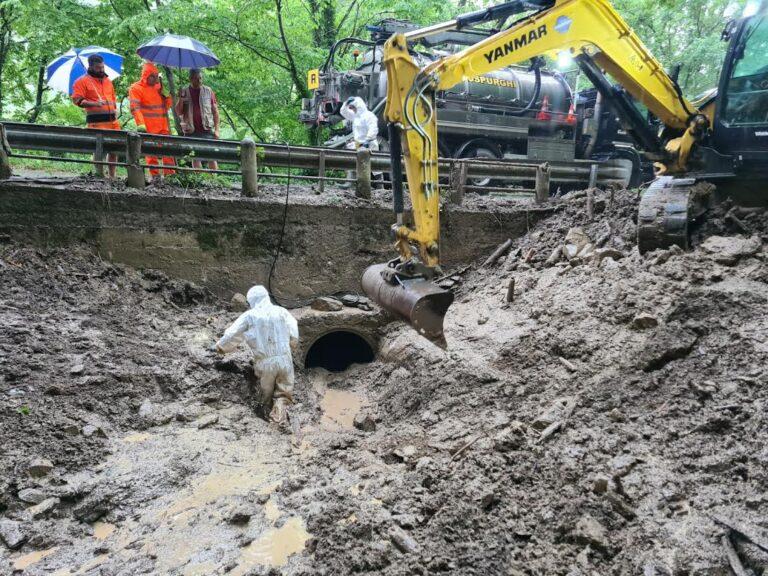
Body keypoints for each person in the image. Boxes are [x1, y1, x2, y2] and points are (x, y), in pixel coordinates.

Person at [215, 285, 299, 425]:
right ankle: (280, 418)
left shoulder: (250, 316)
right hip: (285, 360)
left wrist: (220, 347)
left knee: (264, 395)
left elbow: (232, 334)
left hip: (265, 363)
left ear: (251, 301)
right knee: (284, 393)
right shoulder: (282, 311)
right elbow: (294, 328)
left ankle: (265, 419)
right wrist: (292, 343)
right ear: (267, 297)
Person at [71, 54, 120, 179]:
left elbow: (113, 98)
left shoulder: (108, 81)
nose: (101, 70)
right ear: (91, 66)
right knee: (99, 149)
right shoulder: (81, 81)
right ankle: (99, 174)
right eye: (98, 68)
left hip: (113, 121)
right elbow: (78, 100)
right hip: (96, 122)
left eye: (103, 67)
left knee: (115, 148)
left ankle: (112, 176)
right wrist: (94, 103)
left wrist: (115, 109)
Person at [128, 62, 175, 182]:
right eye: (152, 76)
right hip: (149, 126)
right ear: (145, 76)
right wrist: (140, 124)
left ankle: (170, 176)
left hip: (163, 125)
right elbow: (135, 108)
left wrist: (167, 95)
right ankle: (155, 177)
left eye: (156, 75)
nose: (155, 78)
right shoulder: (135, 88)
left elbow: (167, 106)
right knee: (151, 153)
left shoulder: (159, 87)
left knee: (168, 150)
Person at [175, 69, 220, 170]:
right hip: (190, 129)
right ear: (190, 79)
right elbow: (178, 112)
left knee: (211, 156)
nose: (199, 81)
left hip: (206, 129)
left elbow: (215, 111)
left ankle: (215, 180)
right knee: (195, 157)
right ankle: (200, 180)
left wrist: (217, 130)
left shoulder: (208, 91)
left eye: (200, 78)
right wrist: (181, 98)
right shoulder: (184, 92)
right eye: (196, 78)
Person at [339, 96, 381, 187]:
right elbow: (343, 112)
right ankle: (349, 183)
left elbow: (373, 129)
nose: (352, 110)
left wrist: (368, 140)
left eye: (353, 107)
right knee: (352, 161)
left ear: (358, 106)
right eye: (351, 108)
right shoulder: (355, 116)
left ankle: (380, 186)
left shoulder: (369, 116)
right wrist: (346, 103)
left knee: (375, 165)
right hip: (358, 143)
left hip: (369, 144)